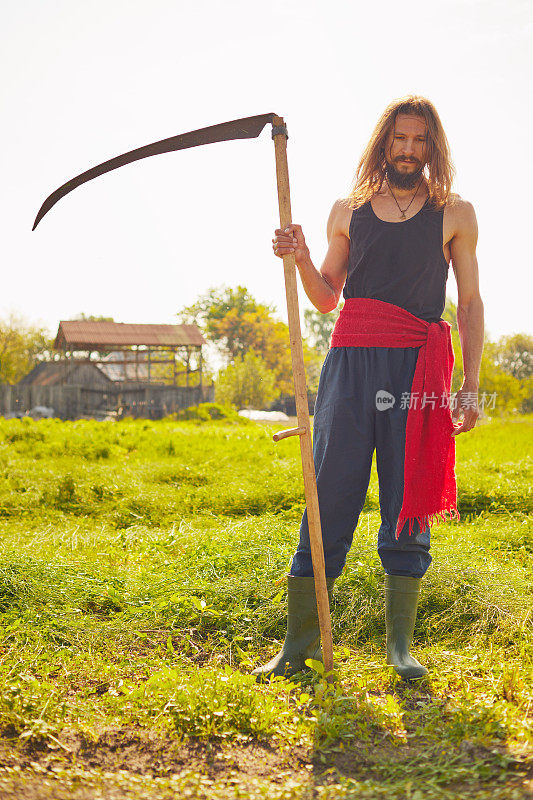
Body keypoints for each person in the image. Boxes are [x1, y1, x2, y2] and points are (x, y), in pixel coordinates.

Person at [252, 95, 484, 681]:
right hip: (350, 368)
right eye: (399, 139)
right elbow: (328, 295)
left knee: (408, 499)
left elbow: (471, 301)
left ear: (432, 147)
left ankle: (399, 649)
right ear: (384, 143)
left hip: (417, 373)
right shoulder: (348, 210)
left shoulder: (454, 212)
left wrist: (471, 383)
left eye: (419, 140)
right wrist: (301, 256)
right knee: (328, 493)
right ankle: (298, 643)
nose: (408, 149)